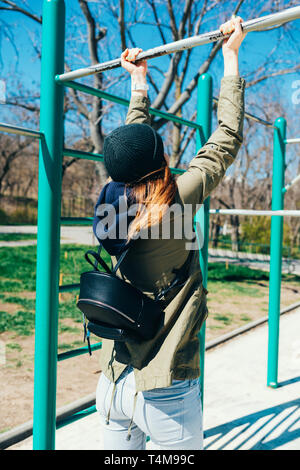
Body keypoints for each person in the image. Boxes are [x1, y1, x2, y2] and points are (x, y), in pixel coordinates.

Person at [93, 16, 247, 450]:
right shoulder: (177, 198)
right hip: (164, 390)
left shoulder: (110, 206)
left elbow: (130, 152)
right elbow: (226, 138)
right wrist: (231, 55)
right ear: (160, 161)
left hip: (113, 381)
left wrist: (137, 86)